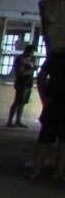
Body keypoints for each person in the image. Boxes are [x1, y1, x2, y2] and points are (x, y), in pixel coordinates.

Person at [29, 48, 65, 179]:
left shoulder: (56, 57)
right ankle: (43, 170)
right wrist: (44, 98)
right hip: (53, 104)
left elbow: (41, 78)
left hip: (52, 104)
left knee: (49, 139)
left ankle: (51, 172)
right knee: (47, 139)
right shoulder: (57, 57)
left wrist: (44, 98)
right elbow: (41, 78)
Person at [6, 43, 37, 127]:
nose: (32, 54)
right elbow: (21, 73)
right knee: (17, 102)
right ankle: (9, 121)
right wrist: (33, 70)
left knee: (22, 103)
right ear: (26, 51)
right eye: (31, 52)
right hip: (22, 84)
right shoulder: (20, 60)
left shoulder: (28, 60)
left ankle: (18, 121)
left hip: (28, 84)